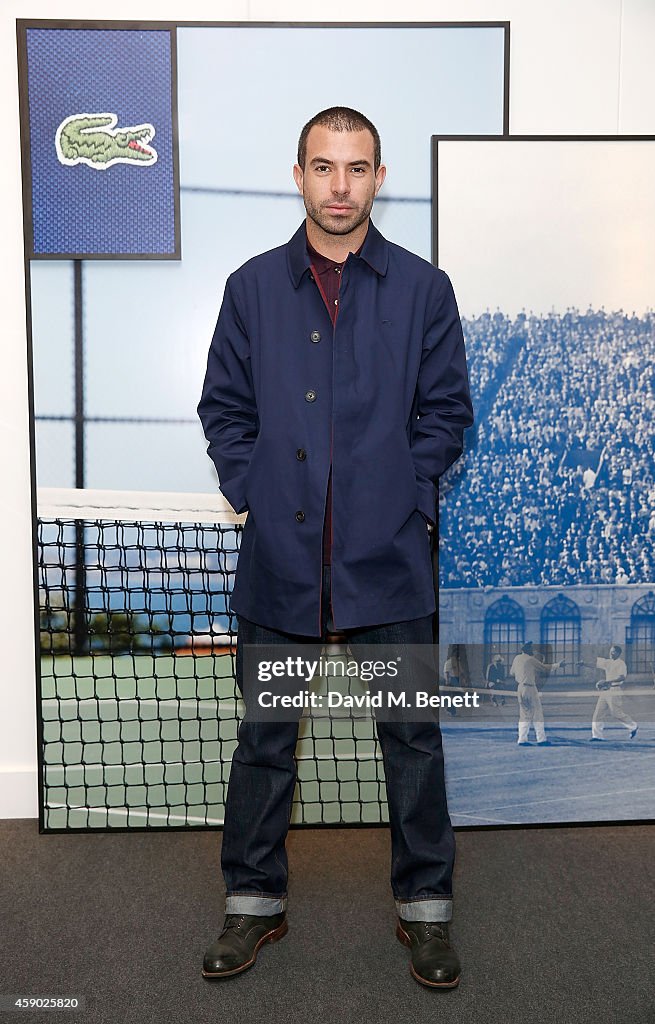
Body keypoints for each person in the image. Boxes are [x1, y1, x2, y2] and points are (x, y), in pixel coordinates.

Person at [197, 106, 473, 988]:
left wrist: (405, 496)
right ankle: (252, 906)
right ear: (299, 174)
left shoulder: (425, 290)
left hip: (388, 570)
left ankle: (426, 913)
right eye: (323, 167)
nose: (340, 186)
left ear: (378, 178)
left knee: (411, 741)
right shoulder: (250, 288)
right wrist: (254, 493)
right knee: (267, 742)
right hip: (281, 568)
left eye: (356, 169)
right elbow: (225, 412)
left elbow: (444, 416)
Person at [510, 641, 563, 745]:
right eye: (531, 648)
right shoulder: (530, 659)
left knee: (524, 715)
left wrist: (526, 672)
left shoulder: (517, 658)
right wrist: (558, 665)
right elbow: (544, 668)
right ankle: (541, 739)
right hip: (530, 688)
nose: (533, 650)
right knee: (537, 714)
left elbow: (512, 672)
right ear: (527, 649)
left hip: (520, 688)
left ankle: (522, 739)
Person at [580, 644, 638, 741]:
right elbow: (595, 664)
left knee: (616, 713)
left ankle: (633, 726)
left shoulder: (621, 664)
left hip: (615, 690)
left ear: (619, 653)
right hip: (605, 690)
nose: (611, 653)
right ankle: (597, 736)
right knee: (598, 713)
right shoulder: (608, 662)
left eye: (614, 651)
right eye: (611, 651)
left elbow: (622, 677)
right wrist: (584, 664)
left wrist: (607, 682)